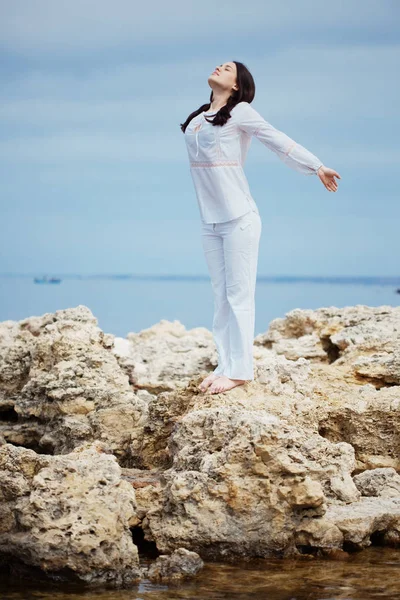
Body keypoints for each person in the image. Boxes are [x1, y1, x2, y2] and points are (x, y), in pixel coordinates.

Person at [180, 61, 341, 395]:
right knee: (220, 296)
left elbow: (278, 140)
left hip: (239, 218)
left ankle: (240, 371)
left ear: (238, 85)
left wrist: (317, 167)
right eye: (219, 64)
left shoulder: (241, 112)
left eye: (228, 68)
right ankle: (225, 364)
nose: (219, 67)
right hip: (209, 221)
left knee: (239, 295)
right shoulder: (198, 118)